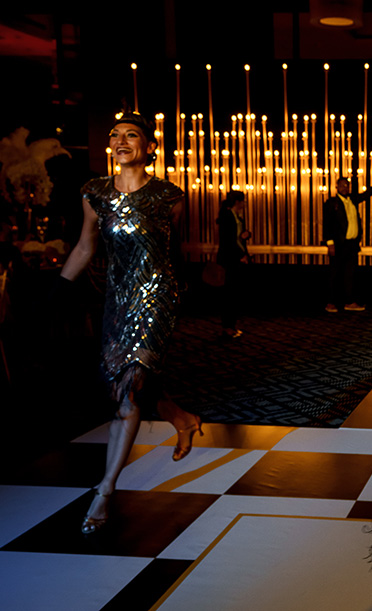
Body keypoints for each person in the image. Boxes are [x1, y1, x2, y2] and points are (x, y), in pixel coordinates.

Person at [59, 112, 203, 535]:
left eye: (132, 135)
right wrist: (59, 291)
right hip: (116, 302)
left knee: (129, 390)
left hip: (157, 299)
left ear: (150, 147)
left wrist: (182, 294)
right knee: (124, 382)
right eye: (115, 135)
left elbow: (173, 252)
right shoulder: (95, 194)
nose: (121, 141)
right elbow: (85, 247)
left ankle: (104, 490)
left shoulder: (169, 196)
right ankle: (181, 417)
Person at [322, 173, 372, 312]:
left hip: (351, 244)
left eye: (347, 185)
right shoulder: (332, 203)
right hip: (338, 244)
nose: (345, 188)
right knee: (334, 274)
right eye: (342, 185)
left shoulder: (352, 199)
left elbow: (366, 195)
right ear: (336, 187)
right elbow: (327, 224)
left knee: (349, 274)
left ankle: (349, 302)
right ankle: (330, 303)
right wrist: (330, 243)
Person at [217, 190, 250, 338]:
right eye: (243, 201)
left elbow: (236, 238)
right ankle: (228, 326)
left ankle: (231, 325)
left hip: (236, 258)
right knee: (229, 293)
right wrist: (240, 255)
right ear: (238, 202)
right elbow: (228, 241)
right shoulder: (228, 216)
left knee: (233, 293)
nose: (244, 204)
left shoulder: (236, 217)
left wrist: (245, 235)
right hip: (230, 260)